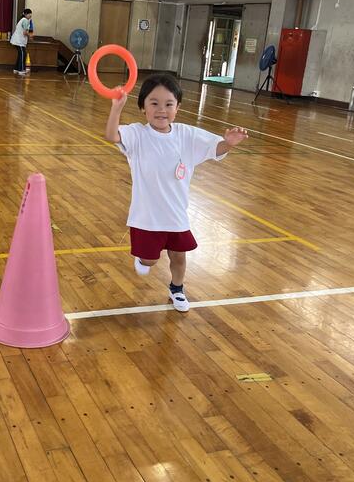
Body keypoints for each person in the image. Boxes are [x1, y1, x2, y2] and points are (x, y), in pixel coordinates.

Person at [105, 73, 248, 312]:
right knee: (150, 260)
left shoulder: (186, 135)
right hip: (147, 217)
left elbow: (215, 148)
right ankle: (143, 258)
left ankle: (177, 289)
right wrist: (117, 108)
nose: (162, 110)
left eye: (169, 104)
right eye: (154, 103)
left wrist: (229, 143)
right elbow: (111, 135)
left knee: (179, 256)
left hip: (176, 215)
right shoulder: (137, 134)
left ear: (177, 107)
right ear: (143, 107)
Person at [10, 8, 32, 75]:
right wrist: (30, 36)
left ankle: (16, 69)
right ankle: (21, 70)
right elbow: (25, 32)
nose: (30, 15)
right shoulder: (25, 20)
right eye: (29, 14)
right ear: (25, 14)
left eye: (31, 14)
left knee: (21, 54)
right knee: (23, 54)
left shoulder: (23, 20)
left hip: (18, 40)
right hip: (19, 41)